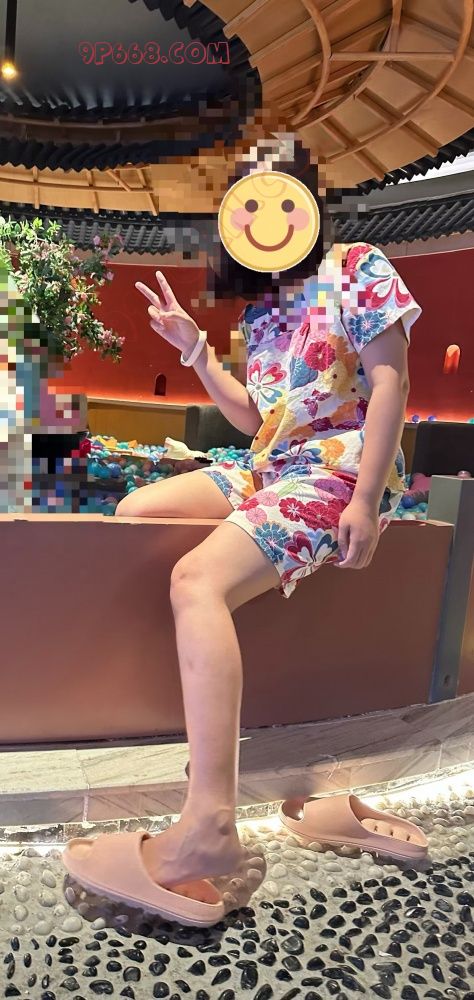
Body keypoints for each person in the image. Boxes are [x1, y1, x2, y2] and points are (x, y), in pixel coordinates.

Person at [108, 237, 421, 899]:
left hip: (339, 470)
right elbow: (258, 417)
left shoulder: (354, 266)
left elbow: (391, 380)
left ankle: (209, 821)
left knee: (196, 581)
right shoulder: (262, 311)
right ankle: (198, 703)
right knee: (134, 513)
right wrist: (196, 349)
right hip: (268, 469)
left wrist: (366, 500)